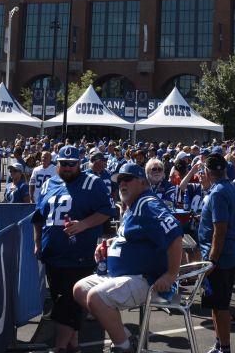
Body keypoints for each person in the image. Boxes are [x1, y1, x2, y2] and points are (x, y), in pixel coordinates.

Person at [73, 162, 182, 353]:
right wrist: (109, 244)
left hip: (146, 279)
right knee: (80, 289)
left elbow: (175, 234)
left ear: (142, 182)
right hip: (124, 274)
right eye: (120, 180)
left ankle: (124, 347)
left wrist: (172, 274)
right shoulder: (133, 205)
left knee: (95, 298)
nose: (122, 183)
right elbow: (131, 237)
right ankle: (126, 338)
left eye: (127, 179)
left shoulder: (147, 204)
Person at [34, 145, 117, 353]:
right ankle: (73, 344)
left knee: (66, 303)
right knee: (60, 301)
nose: (69, 168)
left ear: (79, 164)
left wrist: (84, 224)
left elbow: (107, 211)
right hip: (53, 255)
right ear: (58, 164)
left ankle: (60, 347)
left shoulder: (92, 182)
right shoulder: (49, 184)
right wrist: (37, 244)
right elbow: (38, 217)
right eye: (64, 164)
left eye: (73, 164)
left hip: (79, 255)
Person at [198, 155, 235, 353]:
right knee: (216, 305)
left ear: (207, 172)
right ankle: (219, 344)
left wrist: (212, 261)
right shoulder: (231, 188)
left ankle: (224, 348)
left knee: (221, 306)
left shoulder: (218, 193)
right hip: (228, 254)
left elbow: (220, 229)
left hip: (219, 259)